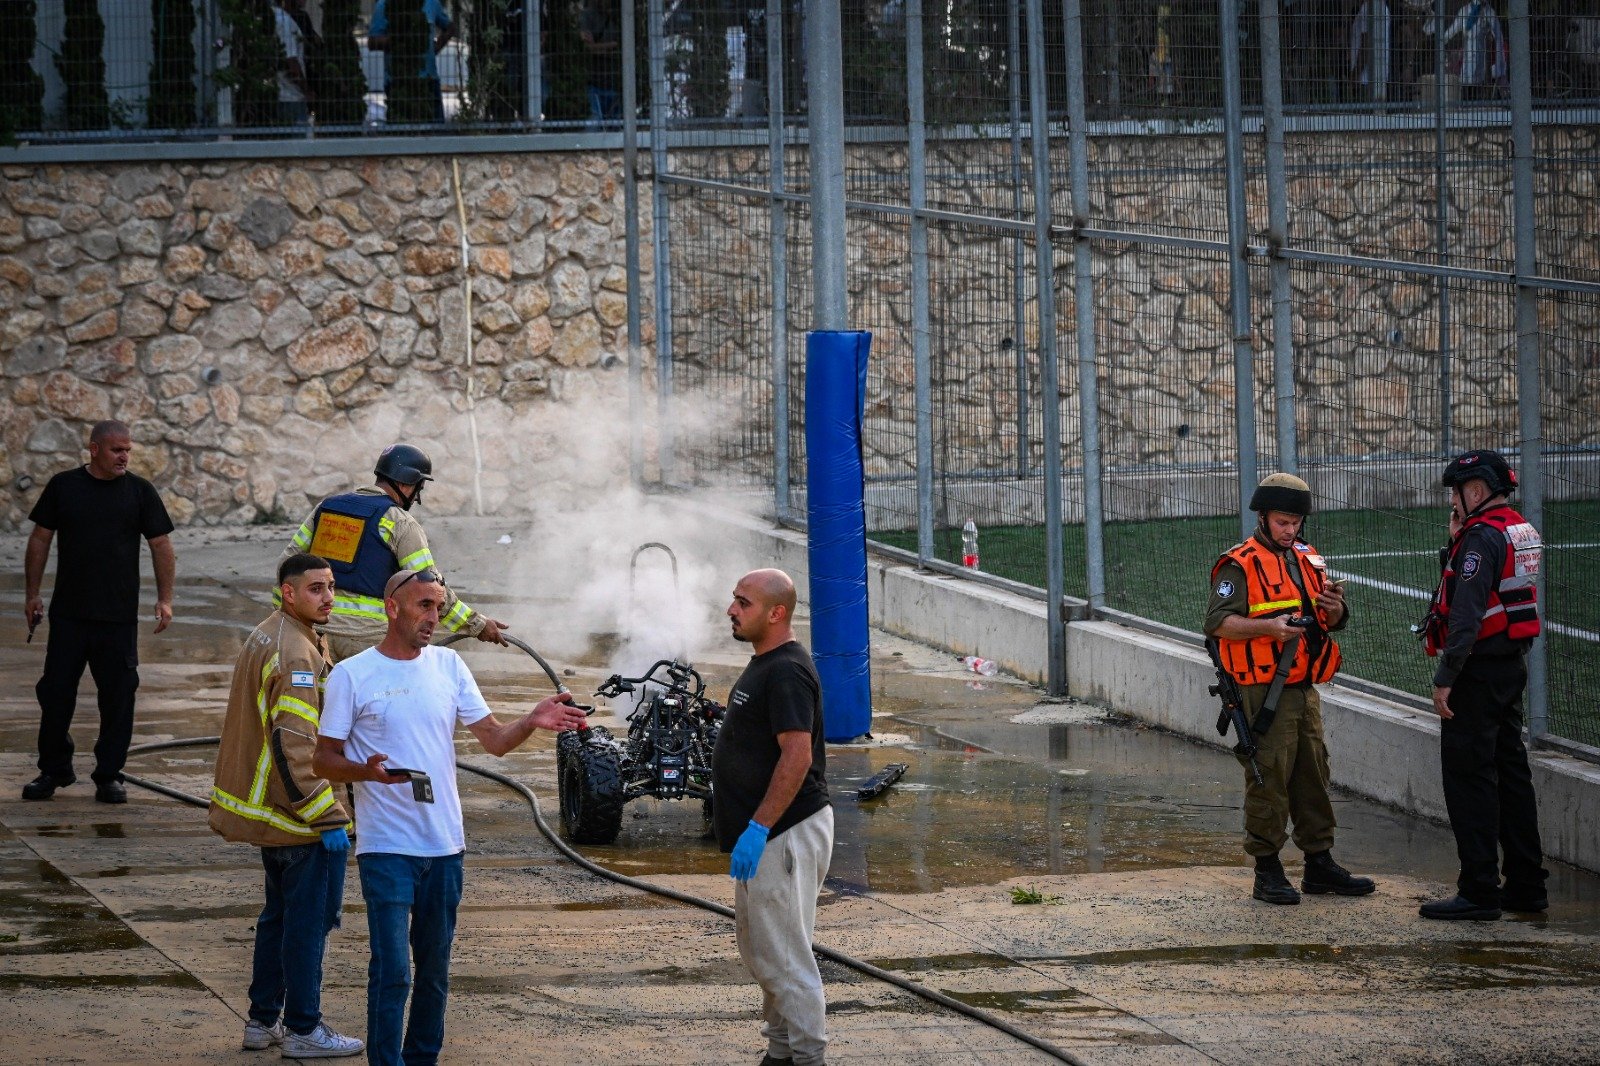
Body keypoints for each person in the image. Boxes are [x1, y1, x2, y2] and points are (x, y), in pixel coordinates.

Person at [313, 567, 588, 1066]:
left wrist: (530, 719)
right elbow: (322, 759)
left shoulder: (450, 665)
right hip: (386, 848)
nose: (434, 618)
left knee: (435, 971)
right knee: (394, 969)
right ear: (392, 607)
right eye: (424, 606)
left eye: (439, 606)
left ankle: (423, 1058)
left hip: (445, 848)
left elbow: (496, 742)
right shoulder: (353, 675)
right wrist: (366, 773)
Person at [209, 553, 363, 1059]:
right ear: (288, 592)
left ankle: (261, 1022)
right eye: (316, 589)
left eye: (332, 587)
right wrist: (329, 817)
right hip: (298, 820)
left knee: (277, 918)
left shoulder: (270, 633)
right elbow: (294, 747)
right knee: (306, 927)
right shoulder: (295, 654)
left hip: (272, 817)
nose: (329, 597)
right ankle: (303, 1029)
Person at [1204, 473, 1374, 905]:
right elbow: (1217, 623)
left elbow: (1325, 622)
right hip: (1261, 690)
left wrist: (1336, 611)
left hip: (1303, 686)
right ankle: (1267, 869)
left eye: (1296, 522)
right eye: (1282, 521)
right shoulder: (1237, 564)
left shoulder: (1308, 559)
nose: (1290, 530)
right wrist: (1269, 628)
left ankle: (1320, 864)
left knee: (1313, 773)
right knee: (1269, 777)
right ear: (1263, 517)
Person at [1416, 449, 1548, 921]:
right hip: (1510, 667)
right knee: (1512, 774)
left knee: (1469, 778)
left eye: (1457, 492)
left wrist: (1445, 679)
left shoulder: (1480, 539)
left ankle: (1478, 890)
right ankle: (1527, 885)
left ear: (1475, 492)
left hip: (1476, 672)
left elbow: (1467, 616)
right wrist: (1456, 537)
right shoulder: (1518, 528)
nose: (1453, 500)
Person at [713, 569, 834, 1066]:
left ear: (776, 613)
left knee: (786, 960)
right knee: (768, 953)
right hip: (767, 835)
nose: (732, 609)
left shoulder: (785, 670)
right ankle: (781, 1052)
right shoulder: (766, 663)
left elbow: (797, 757)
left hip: (783, 832)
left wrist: (760, 828)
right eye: (734, 600)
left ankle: (807, 1058)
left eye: (743, 602)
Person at [22, 420, 175, 804]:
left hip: (118, 617)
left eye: (127, 450)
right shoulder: (64, 486)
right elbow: (40, 538)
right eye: (116, 450)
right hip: (69, 614)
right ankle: (53, 769)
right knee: (55, 693)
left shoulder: (140, 492)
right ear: (94, 449)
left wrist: (164, 598)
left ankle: (109, 774)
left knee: (119, 696)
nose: (124, 456)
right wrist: (32, 594)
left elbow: (160, 544)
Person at [281, 443, 508, 662]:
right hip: (367, 640)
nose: (417, 497)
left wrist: (287, 621)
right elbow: (430, 588)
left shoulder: (327, 508)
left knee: (322, 700)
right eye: (419, 488)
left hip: (315, 634)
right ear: (408, 484)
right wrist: (476, 624)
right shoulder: (400, 522)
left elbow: (287, 565)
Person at [369, 0, 456, 123]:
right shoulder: (385, 5)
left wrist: (434, 47)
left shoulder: (431, 3)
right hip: (397, 81)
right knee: (400, 128)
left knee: (436, 132)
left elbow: (450, 27)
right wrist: (401, 40)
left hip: (428, 80)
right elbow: (372, 42)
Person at [275, 0, 314, 125]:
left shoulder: (274, 17)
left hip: (281, 95)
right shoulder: (284, 22)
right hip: (290, 96)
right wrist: (306, 91)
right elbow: (291, 62)